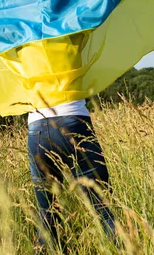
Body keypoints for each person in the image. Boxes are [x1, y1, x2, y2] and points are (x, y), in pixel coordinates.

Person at [27, 99, 116, 252]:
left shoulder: (25, 72)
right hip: (74, 119)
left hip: (36, 127)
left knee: (46, 214)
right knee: (103, 209)